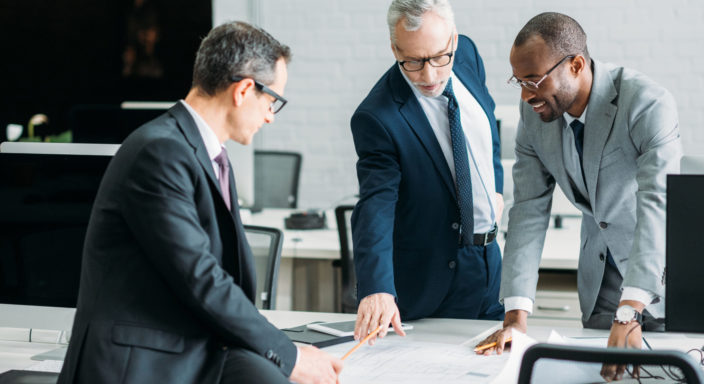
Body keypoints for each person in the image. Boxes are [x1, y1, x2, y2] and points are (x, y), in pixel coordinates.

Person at [57, 22, 342, 384]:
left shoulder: (206, 155)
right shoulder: (158, 151)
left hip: (197, 347)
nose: (271, 115)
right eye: (273, 101)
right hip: (141, 363)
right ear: (243, 90)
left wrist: (282, 351)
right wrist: (288, 354)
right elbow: (200, 277)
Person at [477, 12, 682, 381]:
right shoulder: (534, 117)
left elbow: (657, 202)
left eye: (534, 80)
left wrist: (630, 309)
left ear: (575, 65)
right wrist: (515, 318)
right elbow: (527, 210)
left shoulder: (647, 102)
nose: (526, 95)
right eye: (519, 81)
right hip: (600, 283)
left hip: (664, 281)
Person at [350, 0, 505, 343]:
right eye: (413, 62)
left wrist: (495, 188)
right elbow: (375, 204)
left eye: (438, 57)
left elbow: (486, 128)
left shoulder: (467, 56)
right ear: (394, 48)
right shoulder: (378, 116)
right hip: (437, 279)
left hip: (492, 263)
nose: (430, 76)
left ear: (452, 40)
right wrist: (376, 288)